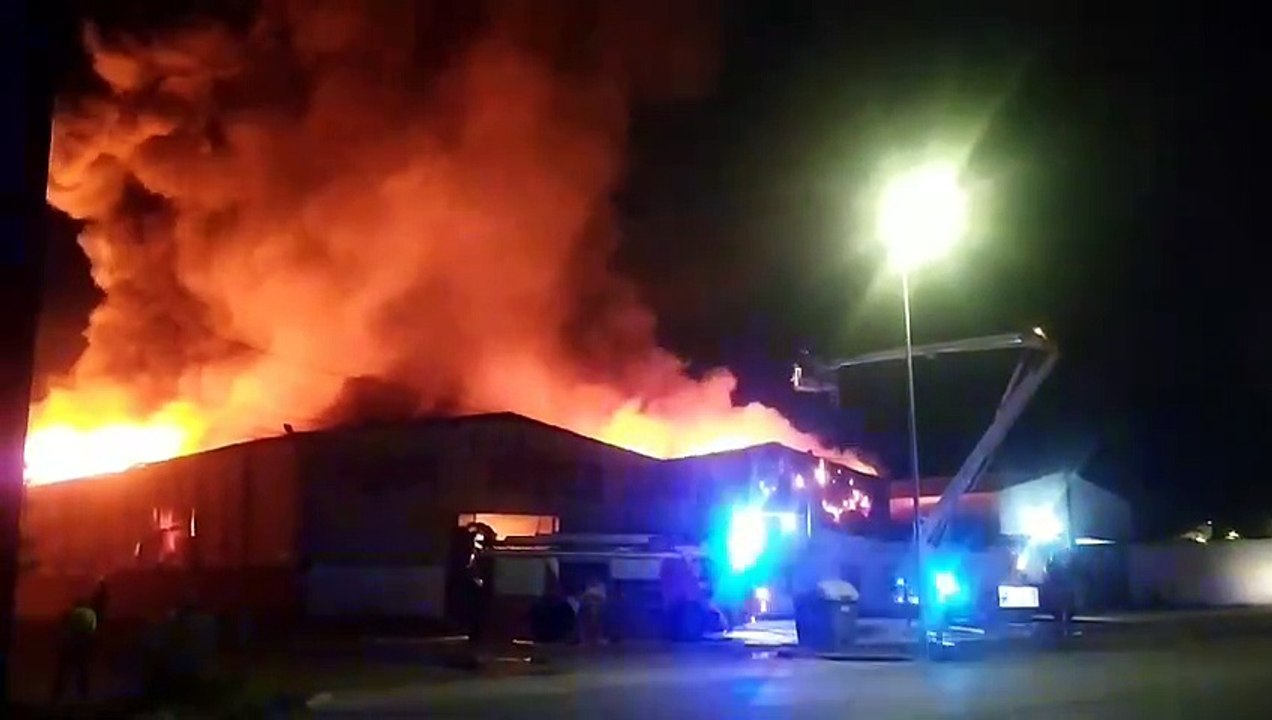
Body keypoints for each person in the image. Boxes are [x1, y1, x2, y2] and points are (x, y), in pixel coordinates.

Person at [51, 596, 98, 703]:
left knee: (63, 672)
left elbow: (63, 628)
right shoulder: (90, 615)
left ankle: (57, 695)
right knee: (82, 671)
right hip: (81, 645)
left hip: (69, 645)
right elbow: (92, 630)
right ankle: (83, 695)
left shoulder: (69, 614)